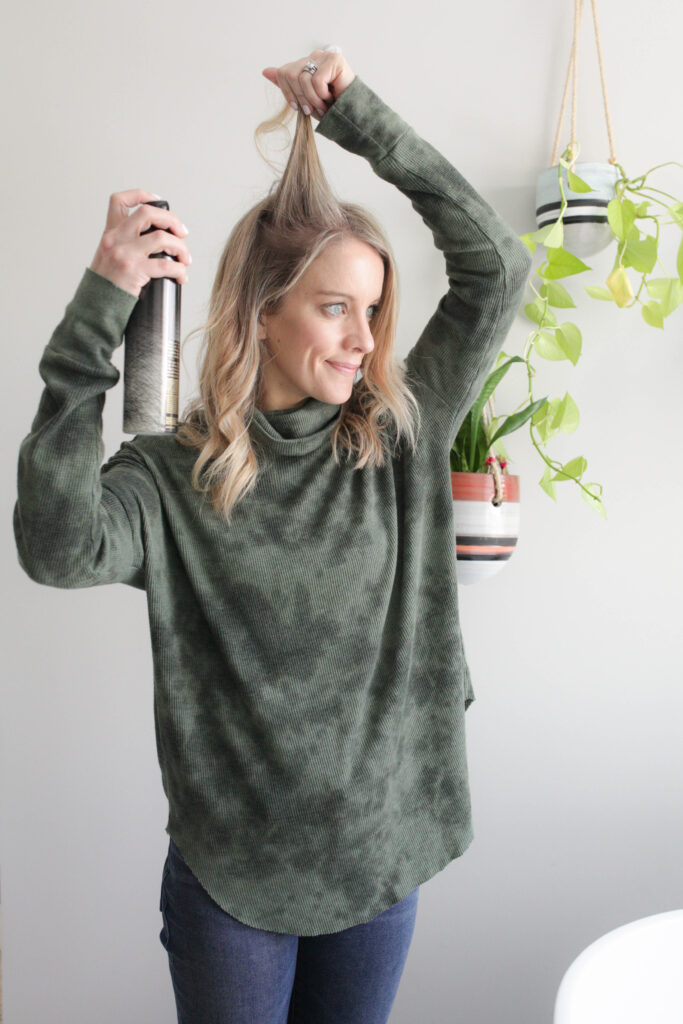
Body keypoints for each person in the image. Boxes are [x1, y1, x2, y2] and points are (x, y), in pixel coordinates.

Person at [13, 47, 532, 1024]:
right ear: (264, 309)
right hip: (233, 886)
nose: (361, 339)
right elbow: (55, 544)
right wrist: (100, 308)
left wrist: (360, 119)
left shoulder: (392, 440)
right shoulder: (177, 472)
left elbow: (496, 266)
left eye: (372, 311)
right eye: (336, 306)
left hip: (377, 865)